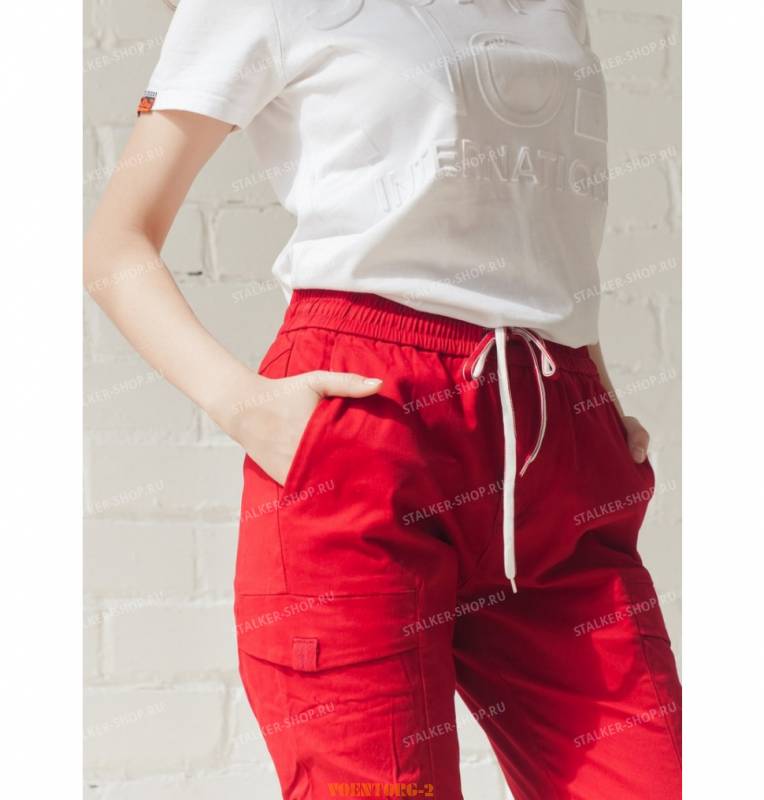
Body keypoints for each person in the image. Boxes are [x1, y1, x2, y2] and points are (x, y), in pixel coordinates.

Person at [84, 1, 681, 797]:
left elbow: (540, 221)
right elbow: (117, 241)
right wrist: (249, 410)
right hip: (367, 440)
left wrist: (592, 386)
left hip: (557, 457)